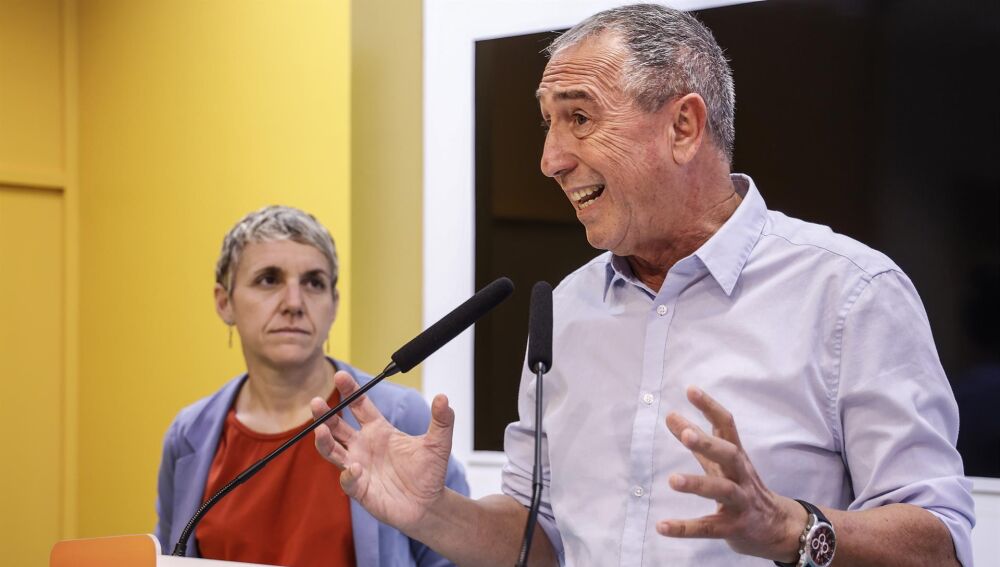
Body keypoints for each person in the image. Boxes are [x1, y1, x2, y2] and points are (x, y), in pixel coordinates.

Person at [311, 5, 974, 566]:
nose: (549, 160)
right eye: (547, 123)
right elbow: (539, 538)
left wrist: (788, 527)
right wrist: (431, 512)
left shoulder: (850, 294)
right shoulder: (565, 310)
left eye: (579, 118)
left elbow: (942, 543)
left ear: (683, 127)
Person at [155, 205, 469, 567]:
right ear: (224, 302)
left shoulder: (398, 417)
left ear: (333, 306)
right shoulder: (188, 434)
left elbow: (461, 558)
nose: (294, 303)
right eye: (268, 279)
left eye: (314, 283)